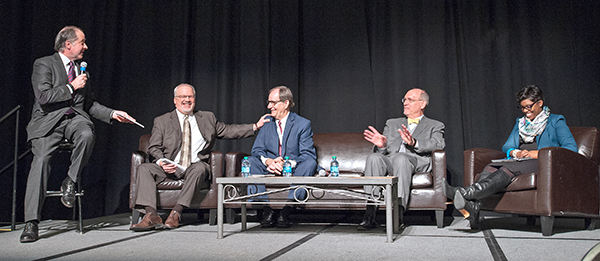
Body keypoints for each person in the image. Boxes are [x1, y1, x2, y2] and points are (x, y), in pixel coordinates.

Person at [20, 26, 138, 243]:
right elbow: (44, 96)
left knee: (86, 134)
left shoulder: (82, 70)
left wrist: (113, 113)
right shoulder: (44, 64)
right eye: (82, 42)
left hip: (74, 120)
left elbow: (90, 105)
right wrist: (71, 87)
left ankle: (70, 181)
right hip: (48, 123)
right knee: (42, 159)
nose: (86, 46)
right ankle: (31, 222)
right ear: (68, 44)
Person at [130, 83, 269, 231]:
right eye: (183, 96)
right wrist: (161, 162)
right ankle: (151, 215)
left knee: (200, 169)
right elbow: (154, 147)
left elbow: (227, 130)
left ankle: (176, 213)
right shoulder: (162, 121)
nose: (187, 100)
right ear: (175, 100)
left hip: (194, 166)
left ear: (194, 99)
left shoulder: (207, 118)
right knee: (144, 168)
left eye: (190, 96)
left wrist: (255, 126)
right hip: (168, 166)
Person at [443, 85, 577, 228]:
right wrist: (515, 152)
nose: (526, 111)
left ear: (540, 103)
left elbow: (571, 148)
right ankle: (474, 209)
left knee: (507, 168)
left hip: (541, 163)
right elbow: (507, 146)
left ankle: (462, 192)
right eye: (523, 108)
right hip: (520, 160)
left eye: (529, 106)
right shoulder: (521, 123)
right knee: (490, 167)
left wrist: (537, 153)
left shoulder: (556, 121)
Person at [359, 88, 446, 230]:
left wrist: (414, 142)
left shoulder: (435, 125)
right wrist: (382, 146)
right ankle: (370, 213)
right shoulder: (392, 123)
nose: (405, 103)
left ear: (422, 104)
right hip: (391, 160)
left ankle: (396, 215)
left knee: (401, 158)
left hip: (414, 161)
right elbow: (383, 150)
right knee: (374, 157)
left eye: (410, 100)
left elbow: (438, 144)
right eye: (404, 100)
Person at [247, 86, 319, 228]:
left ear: (285, 103)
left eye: (273, 103)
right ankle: (267, 210)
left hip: (293, 167)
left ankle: (287, 209)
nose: (269, 106)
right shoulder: (267, 122)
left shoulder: (302, 124)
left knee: (310, 162)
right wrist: (269, 161)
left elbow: (307, 154)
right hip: (270, 166)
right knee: (250, 161)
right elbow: (257, 150)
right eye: (269, 103)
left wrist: (286, 163)